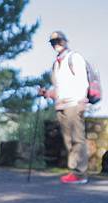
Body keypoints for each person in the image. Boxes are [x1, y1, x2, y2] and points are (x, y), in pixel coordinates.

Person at [39, 31, 89, 184]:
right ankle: (73, 171)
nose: (56, 44)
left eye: (58, 41)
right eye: (53, 42)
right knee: (68, 140)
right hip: (61, 105)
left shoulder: (74, 57)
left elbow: (82, 80)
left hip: (74, 103)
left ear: (65, 41)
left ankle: (80, 173)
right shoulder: (56, 64)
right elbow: (59, 88)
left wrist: (82, 101)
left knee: (77, 138)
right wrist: (47, 93)